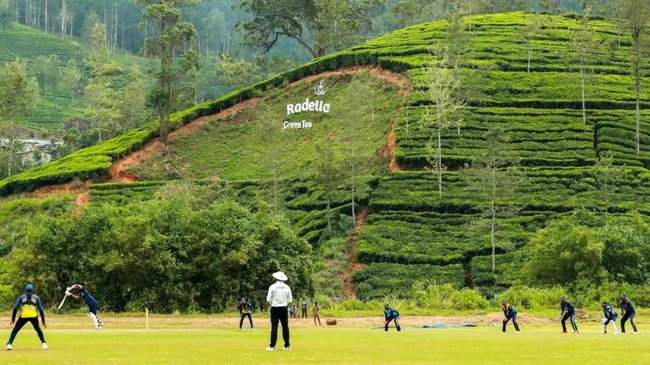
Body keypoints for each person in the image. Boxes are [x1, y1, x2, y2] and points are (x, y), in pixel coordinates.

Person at [6, 284, 47, 351]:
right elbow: (41, 309)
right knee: (38, 329)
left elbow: (15, 308)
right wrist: (43, 321)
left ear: (25, 290)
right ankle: (44, 343)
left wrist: (13, 319)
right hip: (33, 316)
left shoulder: (21, 297)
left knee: (15, 330)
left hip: (24, 316)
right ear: (32, 290)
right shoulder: (36, 297)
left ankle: (9, 344)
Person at [266, 271, 292, 351]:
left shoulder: (272, 287)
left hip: (275, 307)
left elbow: (268, 299)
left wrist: (274, 303)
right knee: (285, 326)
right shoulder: (287, 287)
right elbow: (290, 300)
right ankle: (287, 345)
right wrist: (284, 303)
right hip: (284, 308)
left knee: (274, 327)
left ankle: (272, 346)